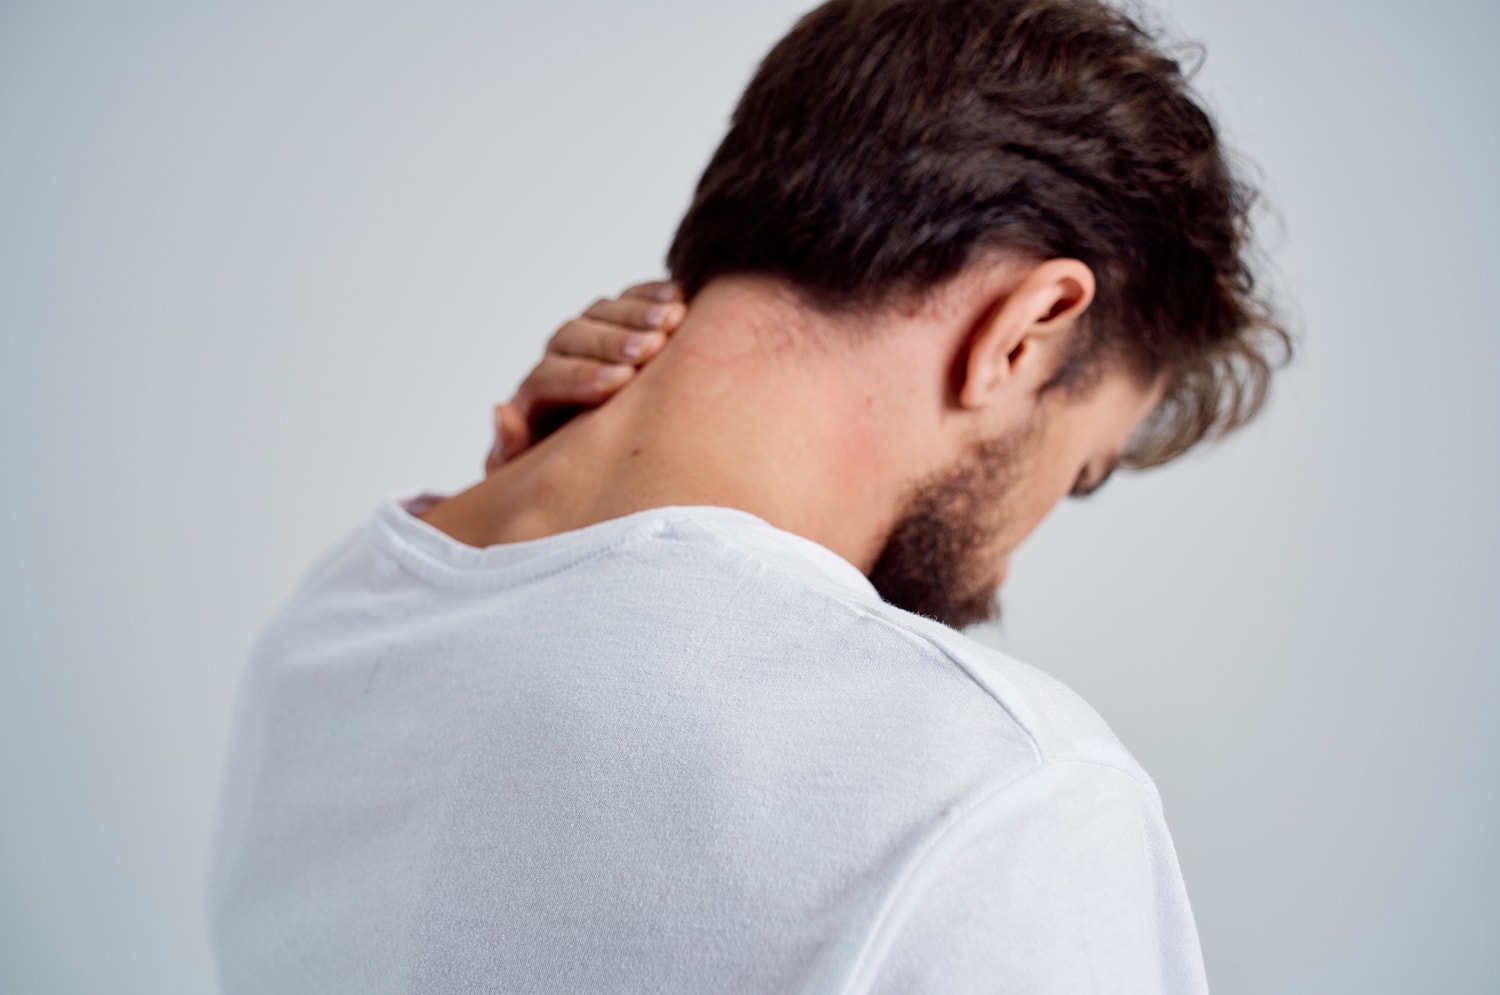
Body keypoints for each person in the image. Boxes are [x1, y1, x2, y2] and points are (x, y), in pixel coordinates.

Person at [207, 0, 1289, 991]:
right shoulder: (1001, 794)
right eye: (1080, 470)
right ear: (1026, 330)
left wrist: (554, 548)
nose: (1005, 571)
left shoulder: (333, 620)